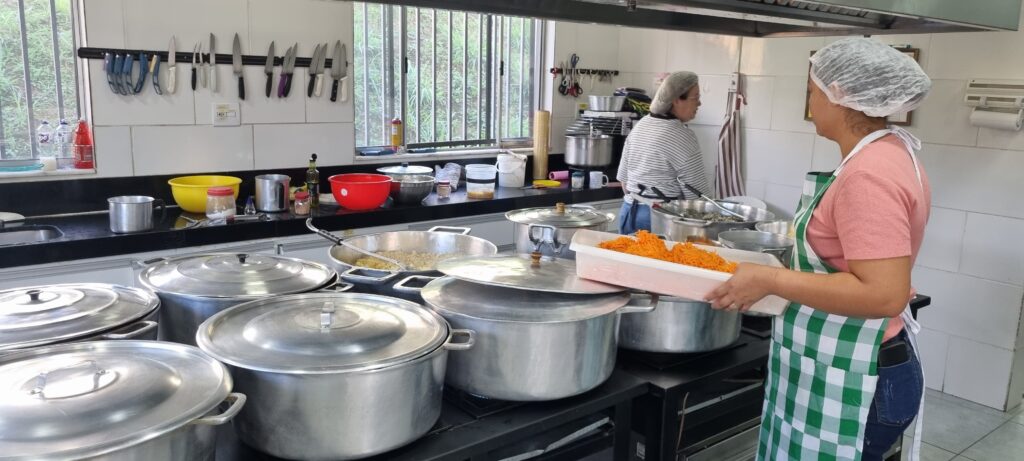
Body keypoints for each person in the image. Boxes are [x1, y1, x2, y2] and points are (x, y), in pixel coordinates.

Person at [705, 37, 932, 461]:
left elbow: (884, 294)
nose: (810, 102)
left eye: (813, 91)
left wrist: (770, 279)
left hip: (862, 377)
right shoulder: (889, 152)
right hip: (850, 363)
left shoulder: (868, 175)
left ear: (840, 94)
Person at [616, 71, 710, 235]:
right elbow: (697, 197)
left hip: (629, 212)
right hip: (660, 218)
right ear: (676, 100)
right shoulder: (682, 135)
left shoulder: (642, 124)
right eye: (695, 98)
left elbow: (624, 181)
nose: (699, 103)